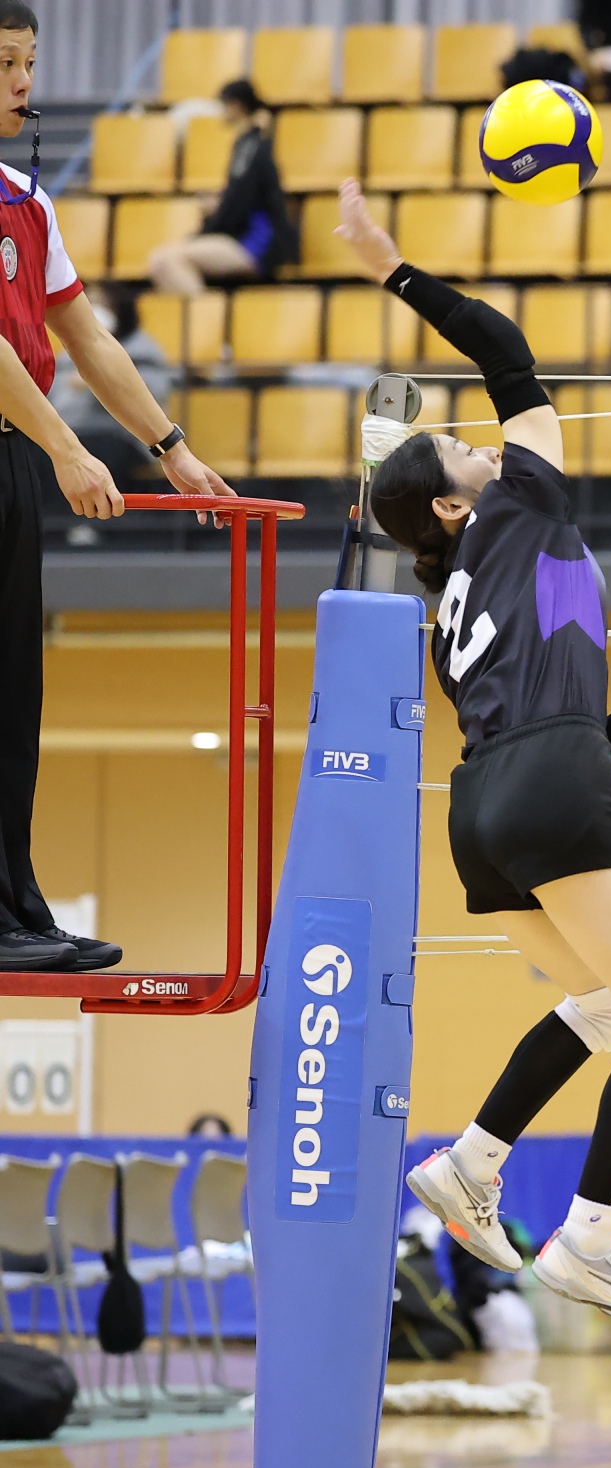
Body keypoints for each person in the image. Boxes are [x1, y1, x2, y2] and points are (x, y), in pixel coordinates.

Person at [329, 180, 611, 1333]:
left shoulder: (453, 595)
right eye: (463, 448)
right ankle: (590, 1236)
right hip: (535, 787)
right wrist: (395, 271)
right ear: (453, 507)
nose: (485, 442)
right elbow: (507, 353)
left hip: (484, 812)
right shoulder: (519, 504)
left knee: (605, 1003)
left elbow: (543, 740)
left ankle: (471, 1162)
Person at [0, 1, 232, 974]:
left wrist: (168, 446)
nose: (23, 81)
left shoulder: (27, 199)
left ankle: (15, 911)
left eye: (29, 62)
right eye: (5, 63)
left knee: (14, 697)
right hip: (22, 439)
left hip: (14, 454)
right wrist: (64, 446)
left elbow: (85, 337)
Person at [147, 80, 293, 296]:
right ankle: (202, 313)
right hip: (239, 239)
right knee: (162, 260)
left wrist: (209, 225)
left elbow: (239, 204)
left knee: (166, 260)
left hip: (254, 246)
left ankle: (204, 315)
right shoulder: (246, 145)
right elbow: (238, 198)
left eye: (223, 105)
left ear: (235, 106)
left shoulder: (251, 148)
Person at [51, 286, 170, 494]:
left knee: (100, 453)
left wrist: (100, 380)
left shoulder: (142, 348)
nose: (95, 310)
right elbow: (52, 396)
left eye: (103, 304)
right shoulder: (67, 351)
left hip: (121, 438)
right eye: (89, 303)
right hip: (75, 433)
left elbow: (157, 390)